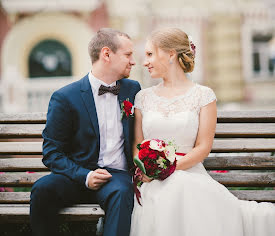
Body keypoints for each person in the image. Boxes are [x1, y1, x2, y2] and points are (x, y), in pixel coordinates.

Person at [130, 27, 275, 236]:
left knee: (178, 185)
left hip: (190, 175)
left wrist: (167, 170)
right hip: (152, 181)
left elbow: (203, 147)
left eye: (150, 54)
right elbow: (138, 145)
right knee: (163, 192)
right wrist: (148, 169)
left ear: (171, 54)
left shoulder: (203, 95)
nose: (145, 62)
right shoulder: (142, 97)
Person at [30, 28, 141, 236]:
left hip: (116, 177)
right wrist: (86, 175)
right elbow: (51, 152)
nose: (133, 61)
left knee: (123, 192)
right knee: (42, 189)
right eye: (128, 55)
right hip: (76, 175)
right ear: (106, 54)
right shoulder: (65, 97)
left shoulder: (132, 90)